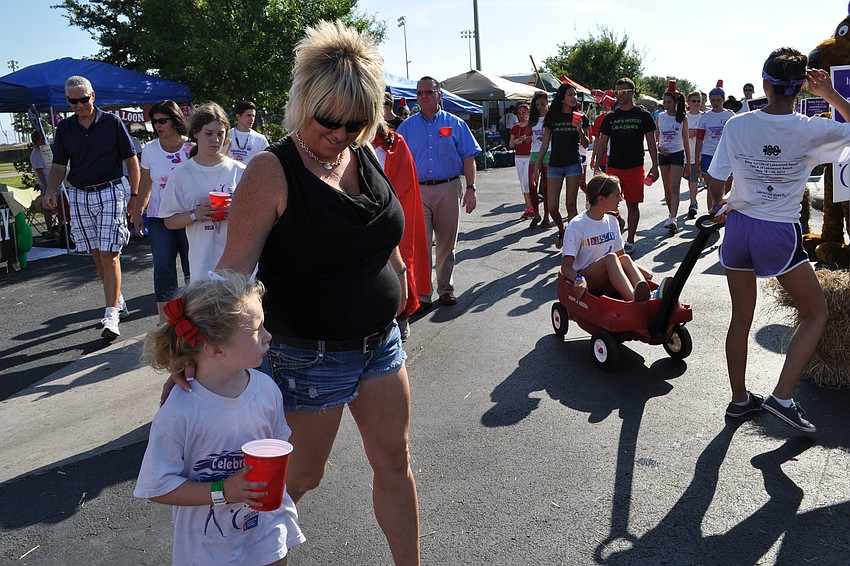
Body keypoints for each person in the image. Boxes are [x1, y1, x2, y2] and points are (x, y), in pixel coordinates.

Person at [163, 21, 420, 564]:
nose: (341, 132)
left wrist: (397, 270)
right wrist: (187, 351)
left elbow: (378, 228)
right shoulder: (269, 171)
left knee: (394, 462)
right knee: (297, 479)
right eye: (329, 119)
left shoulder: (363, 154)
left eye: (356, 122)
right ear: (304, 102)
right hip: (307, 355)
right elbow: (230, 275)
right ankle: (232, 552)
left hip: (381, 343)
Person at [709, 50, 850, 433]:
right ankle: (781, 398)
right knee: (816, 313)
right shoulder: (811, 129)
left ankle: (740, 401)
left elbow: (715, 178)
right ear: (802, 85)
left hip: (738, 228)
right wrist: (833, 95)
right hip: (777, 231)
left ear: (766, 84)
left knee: (741, 317)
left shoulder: (738, 124)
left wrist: (722, 204)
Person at [135, 272, 305, 565]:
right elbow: (158, 487)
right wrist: (223, 490)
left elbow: (278, 446)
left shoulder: (266, 390)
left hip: (266, 531)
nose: (268, 336)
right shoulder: (180, 410)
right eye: (257, 330)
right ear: (216, 350)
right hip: (208, 549)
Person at [43, 75, 138, 341]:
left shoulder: (112, 122)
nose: (80, 105)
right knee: (96, 254)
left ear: (93, 96)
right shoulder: (65, 129)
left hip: (110, 191)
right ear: (67, 101)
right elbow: (59, 166)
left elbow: (131, 162)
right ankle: (117, 299)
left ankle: (111, 316)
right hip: (80, 195)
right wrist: (50, 191)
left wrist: (134, 196)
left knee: (110, 254)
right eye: (74, 102)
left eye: (84, 99)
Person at [398, 75, 480, 307]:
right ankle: (423, 293)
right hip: (418, 191)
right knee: (421, 244)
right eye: (420, 93)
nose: (424, 96)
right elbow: (399, 161)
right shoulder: (406, 127)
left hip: (449, 187)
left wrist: (472, 188)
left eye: (428, 92)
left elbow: (468, 156)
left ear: (438, 95)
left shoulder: (455, 123)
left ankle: (446, 288)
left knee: (446, 242)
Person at [160, 103, 246, 280]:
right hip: (202, 264)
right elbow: (169, 221)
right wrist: (195, 214)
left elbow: (257, 215)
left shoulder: (239, 170)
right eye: (209, 133)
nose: (215, 139)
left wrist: (237, 210)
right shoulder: (181, 173)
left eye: (220, 134)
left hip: (238, 262)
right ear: (195, 133)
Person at [134, 101, 194, 321]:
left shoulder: (191, 147)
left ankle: (196, 314)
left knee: (192, 266)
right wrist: (138, 211)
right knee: (163, 267)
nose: (157, 125)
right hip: (159, 216)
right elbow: (146, 183)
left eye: (162, 121)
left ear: (175, 120)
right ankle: (166, 320)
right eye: (154, 122)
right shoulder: (150, 149)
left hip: (188, 215)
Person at [372, 123, 430, 341]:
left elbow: (404, 180)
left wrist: (381, 203)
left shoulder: (397, 143)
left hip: (393, 211)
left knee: (401, 263)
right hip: (366, 214)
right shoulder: (352, 143)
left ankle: (403, 317)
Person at [560, 174, 654, 302]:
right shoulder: (577, 225)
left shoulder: (612, 220)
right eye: (617, 195)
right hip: (586, 282)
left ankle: (649, 296)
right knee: (610, 258)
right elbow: (566, 267)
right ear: (601, 200)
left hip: (607, 279)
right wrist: (578, 279)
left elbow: (621, 257)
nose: (621, 199)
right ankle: (636, 301)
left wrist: (644, 272)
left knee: (625, 258)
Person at [591, 77, 659, 254]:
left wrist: (655, 166)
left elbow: (651, 142)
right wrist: (597, 166)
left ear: (632, 92)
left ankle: (630, 240)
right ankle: (613, 238)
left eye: (623, 92)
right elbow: (602, 143)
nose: (619, 96)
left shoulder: (643, 115)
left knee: (632, 204)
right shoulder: (610, 117)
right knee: (609, 206)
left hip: (635, 166)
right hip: (613, 167)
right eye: (617, 92)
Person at [533, 83, 590, 248]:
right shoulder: (553, 117)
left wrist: (580, 131)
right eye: (570, 95)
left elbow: (586, 144)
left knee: (570, 205)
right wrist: (536, 167)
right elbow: (544, 144)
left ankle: (573, 241)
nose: (574, 98)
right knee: (551, 207)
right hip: (555, 165)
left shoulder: (580, 117)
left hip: (573, 163)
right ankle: (562, 230)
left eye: (575, 95)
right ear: (562, 98)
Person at [694, 84, 734, 212]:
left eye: (718, 100)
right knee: (711, 187)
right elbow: (699, 139)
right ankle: (711, 215)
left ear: (723, 100)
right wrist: (696, 159)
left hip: (726, 155)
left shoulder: (730, 116)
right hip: (708, 154)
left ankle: (724, 214)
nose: (715, 103)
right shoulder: (705, 117)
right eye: (713, 100)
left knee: (725, 188)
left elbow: (734, 138)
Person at [655, 89, 690, 232]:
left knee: (675, 187)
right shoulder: (660, 117)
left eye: (669, 102)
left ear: (676, 103)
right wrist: (659, 149)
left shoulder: (682, 118)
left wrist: (688, 162)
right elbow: (656, 139)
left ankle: (674, 218)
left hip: (677, 154)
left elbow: (686, 141)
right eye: (664, 102)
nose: (666, 105)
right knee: (667, 188)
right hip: (663, 155)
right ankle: (670, 215)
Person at [527, 91, 551, 227]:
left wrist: (549, 138)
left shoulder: (552, 117)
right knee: (531, 183)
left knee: (546, 186)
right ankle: (536, 213)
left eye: (543, 103)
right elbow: (528, 133)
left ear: (548, 102)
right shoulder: (533, 118)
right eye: (537, 104)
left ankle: (547, 215)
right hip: (534, 152)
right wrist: (525, 137)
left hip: (549, 152)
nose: (540, 107)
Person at [30, 130, 57, 239]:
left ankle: (60, 227)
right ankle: (50, 229)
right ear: (37, 140)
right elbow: (40, 172)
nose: (44, 140)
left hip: (53, 181)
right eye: (42, 138)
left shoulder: (44, 151)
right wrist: (47, 187)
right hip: (46, 183)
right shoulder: (36, 154)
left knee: (58, 206)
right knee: (47, 208)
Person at [508, 103, 534, 219]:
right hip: (519, 157)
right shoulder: (516, 127)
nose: (522, 115)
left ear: (528, 113)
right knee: (523, 184)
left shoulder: (532, 126)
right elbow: (510, 144)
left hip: (530, 156)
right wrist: (516, 142)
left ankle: (532, 206)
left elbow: (537, 141)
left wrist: (529, 139)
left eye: (524, 113)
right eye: (519, 113)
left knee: (527, 182)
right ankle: (529, 207)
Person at [685, 91, 704, 218]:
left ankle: (692, 204)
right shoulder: (684, 117)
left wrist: (699, 134)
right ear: (688, 103)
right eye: (694, 101)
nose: (696, 103)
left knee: (693, 178)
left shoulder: (705, 116)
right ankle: (694, 199)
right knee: (688, 178)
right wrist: (687, 133)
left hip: (700, 153)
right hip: (686, 153)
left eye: (699, 101)